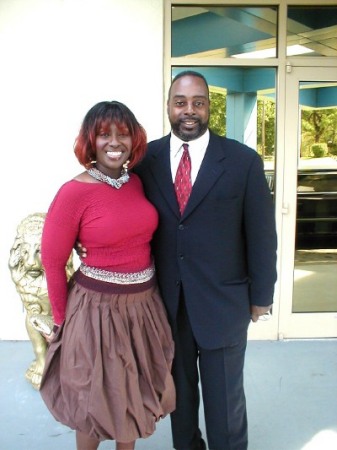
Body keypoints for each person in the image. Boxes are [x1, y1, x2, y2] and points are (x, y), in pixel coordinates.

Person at [77, 71, 277, 450]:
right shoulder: (144, 159)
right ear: (169, 107)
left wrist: (261, 296)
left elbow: (263, 236)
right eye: (180, 102)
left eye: (198, 102)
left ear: (208, 107)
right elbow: (108, 203)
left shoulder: (242, 161)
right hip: (166, 305)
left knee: (225, 401)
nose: (189, 111)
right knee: (178, 398)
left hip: (224, 303)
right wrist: (81, 244)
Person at [39, 100, 176, 450]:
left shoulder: (136, 183)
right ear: (90, 141)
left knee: (130, 396)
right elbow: (53, 262)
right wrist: (60, 321)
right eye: (104, 134)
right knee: (93, 400)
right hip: (95, 311)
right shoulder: (73, 193)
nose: (114, 142)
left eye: (123, 133)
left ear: (134, 140)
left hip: (143, 309)